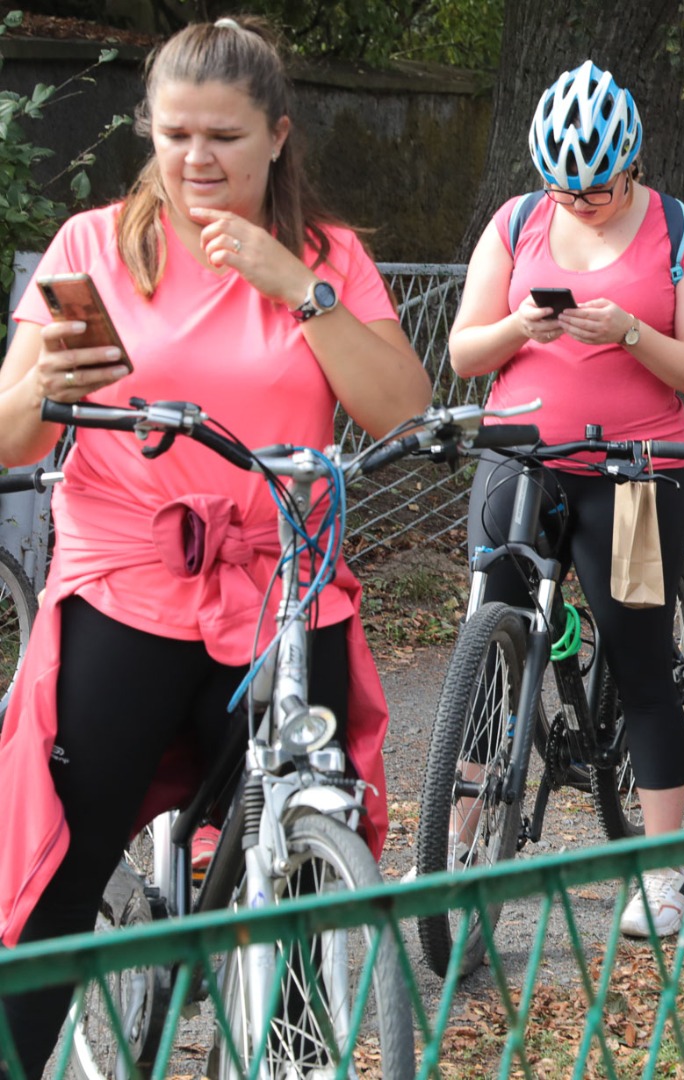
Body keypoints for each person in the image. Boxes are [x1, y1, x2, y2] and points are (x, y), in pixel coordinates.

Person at [0, 17, 430, 1076]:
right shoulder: (98, 248)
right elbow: (15, 433)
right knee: (68, 844)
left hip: (284, 588)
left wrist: (297, 289)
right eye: (175, 133)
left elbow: (401, 412)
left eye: (224, 138)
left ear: (278, 137)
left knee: (297, 856)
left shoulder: (325, 256)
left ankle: (286, 1054)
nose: (196, 160)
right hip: (131, 581)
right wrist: (44, 382)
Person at [448, 60, 684, 940]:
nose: (580, 202)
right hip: (520, 460)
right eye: (564, 190)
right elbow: (464, 352)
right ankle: (453, 838)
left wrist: (633, 331)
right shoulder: (517, 221)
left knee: (643, 661)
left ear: (633, 163)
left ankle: (662, 867)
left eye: (598, 190)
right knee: (486, 651)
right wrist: (517, 327)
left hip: (635, 474)